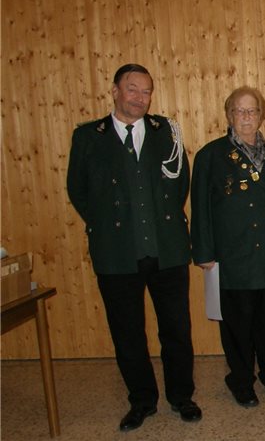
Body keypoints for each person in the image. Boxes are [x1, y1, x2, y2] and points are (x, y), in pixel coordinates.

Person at [66, 63, 201, 431]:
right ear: (114, 91)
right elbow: (78, 191)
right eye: (132, 89)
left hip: (167, 250)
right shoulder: (88, 137)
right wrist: (107, 227)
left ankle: (181, 396)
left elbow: (180, 183)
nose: (139, 98)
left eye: (145, 91)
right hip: (116, 253)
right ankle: (142, 400)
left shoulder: (165, 132)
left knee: (176, 328)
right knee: (127, 332)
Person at [190, 86, 265, 407]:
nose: (246, 117)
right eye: (240, 111)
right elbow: (200, 207)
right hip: (232, 256)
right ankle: (241, 380)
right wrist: (204, 253)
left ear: (262, 115)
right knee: (237, 326)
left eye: (252, 111)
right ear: (229, 115)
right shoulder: (211, 155)